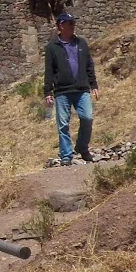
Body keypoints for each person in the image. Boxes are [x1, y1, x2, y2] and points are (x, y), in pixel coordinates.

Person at [43, 12, 98, 165]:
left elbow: (89, 65)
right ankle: (66, 156)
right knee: (63, 124)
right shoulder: (52, 47)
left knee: (87, 117)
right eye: (70, 24)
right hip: (62, 91)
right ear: (61, 26)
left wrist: (93, 84)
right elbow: (49, 70)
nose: (73, 26)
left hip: (81, 88)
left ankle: (81, 146)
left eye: (73, 23)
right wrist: (47, 91)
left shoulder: (81, 43)